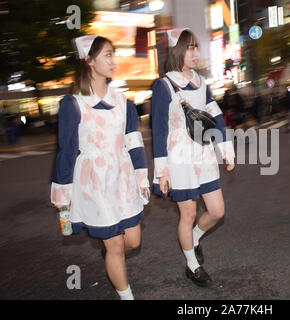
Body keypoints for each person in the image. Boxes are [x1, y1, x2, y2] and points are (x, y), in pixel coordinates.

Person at [50, 35, 150, 300]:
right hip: (93, 181)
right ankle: (126, 294)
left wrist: (142, 177)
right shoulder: (73, 104)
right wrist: (62, 197)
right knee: (116, 244)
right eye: (107, 54)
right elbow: (66, 152)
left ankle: (111, 253)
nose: (113, 60)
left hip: (122, 176)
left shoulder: (124, 101)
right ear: (90, 61)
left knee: (133, 241)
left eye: (113, 54)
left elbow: (133, 141)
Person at [151, 29, 235, 287]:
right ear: (177, 51)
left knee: (217, 211)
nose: (196, 53)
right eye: (190, 48)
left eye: (197, 47)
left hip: (204, 154)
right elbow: (159, 131)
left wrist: (226, 149)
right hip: (178, 159)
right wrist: (161, 171)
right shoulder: (163, 85)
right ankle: (192, 265)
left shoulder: (201, 82)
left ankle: (196, 237)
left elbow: (216, 117)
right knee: (187, 215)